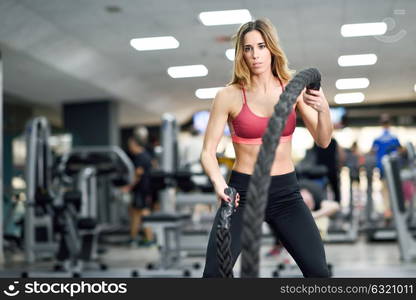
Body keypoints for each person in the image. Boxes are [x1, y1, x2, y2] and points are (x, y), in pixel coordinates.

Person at [200, 18, 333, 278]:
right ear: (241, 53)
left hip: (286, 194)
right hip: (242, 195)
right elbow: (207, 152)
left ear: (271, 48)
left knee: (318, 272)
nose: (255, 55)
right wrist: (219, 184)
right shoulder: (228, 95)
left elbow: (323, 139)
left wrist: (324, 108)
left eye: (260, 46)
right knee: (214, 274)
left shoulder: (292, 88)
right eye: (247, 48)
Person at [266, 180, 340, 256]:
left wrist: (313, 215)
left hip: (313, 212)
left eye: (309, 204)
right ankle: (279, 245)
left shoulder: (317, 195)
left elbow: (335, 206)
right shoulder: (289, 195)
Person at [121, 127, 155, 247]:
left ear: (135, 143)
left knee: (144, 213)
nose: (129, 146)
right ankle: (133, 237)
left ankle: (149, 239)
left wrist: (128, 187)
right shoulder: (143, 155)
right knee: (136, 214)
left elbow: (137, 175)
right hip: (142, 190)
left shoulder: (141, 156)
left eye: (130, 144)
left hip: (143, 190)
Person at [371, 114, 401, 221]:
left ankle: (388, 212)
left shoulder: (378, 139)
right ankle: (393, 212)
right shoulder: (394, 138)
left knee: (385, 192)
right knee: (394, 190)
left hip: (383, 169)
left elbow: (372, 151)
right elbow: (400, 151)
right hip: (392, 169)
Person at [312, 138, 345, 203]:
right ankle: (336, 206)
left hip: (321, 170)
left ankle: (324, 205)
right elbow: (341, 156)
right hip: (332, 169)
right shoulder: (333, 141)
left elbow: (313, 155)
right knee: (336, 191)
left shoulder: (317, 141)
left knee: (322, 191)